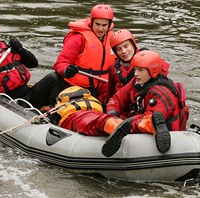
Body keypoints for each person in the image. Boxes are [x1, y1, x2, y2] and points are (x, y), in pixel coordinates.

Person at [50, 50, 188, 158]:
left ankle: (112, 125)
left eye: (140, 70)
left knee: (99, 122)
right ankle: (113, 124)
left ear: (153, 71)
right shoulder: (137, 82)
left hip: (165, 138)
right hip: (141, 127)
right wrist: (112, 113)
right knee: (115, 119)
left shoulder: (160, 93)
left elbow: (155, 116)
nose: (135, 73)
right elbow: (117, 99)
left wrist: (124, 122)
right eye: (135, 69)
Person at [53, 4, 115, 105]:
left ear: (109, 25)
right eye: (97, 24)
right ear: (91, 22)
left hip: (103, 88)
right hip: (78, 88)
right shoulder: (79, 38)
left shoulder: (113, 38)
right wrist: (66, 70)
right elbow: (60, 64)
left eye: (104, 25)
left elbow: (128, 56)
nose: (100, 29)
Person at [106, 29, 170, 102]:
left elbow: (162, 83)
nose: (123, 51)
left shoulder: (150, 59)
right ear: (115, 52)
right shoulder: (113, 69)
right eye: (119, 49)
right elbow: (110, 95)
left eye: (126, 46)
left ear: (133, 44)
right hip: (123, 106)